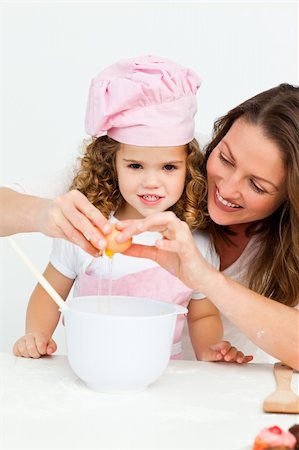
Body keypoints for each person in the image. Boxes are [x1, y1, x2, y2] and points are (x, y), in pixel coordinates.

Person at [12, 55, 252, 363]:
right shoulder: (86, 230)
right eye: (135, 165)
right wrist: (36, 334)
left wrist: (210, 349)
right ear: (112, 164)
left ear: (188, 168)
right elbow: (48, 291)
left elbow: (203, 314)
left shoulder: (194, 244)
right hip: (91, 366)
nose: (152, 182)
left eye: (168, 167)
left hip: (164, 377)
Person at [114, 83, 299, 369]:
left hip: (217, 397)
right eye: (225, 159)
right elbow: (17, 204)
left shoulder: (290, 249)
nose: (227, 187)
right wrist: (43, 214)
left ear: (289, 198)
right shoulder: (167, 159)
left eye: (257, 185)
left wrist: (204, 278)